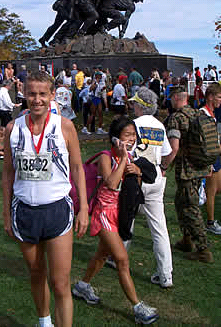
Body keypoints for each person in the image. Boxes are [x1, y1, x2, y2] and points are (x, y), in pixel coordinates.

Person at [2, 71, 88, 327]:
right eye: (31, 94)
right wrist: (6, 214)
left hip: (58, 211)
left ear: (52, 95)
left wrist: (83, 208)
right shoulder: (12, 128)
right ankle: (44, 322)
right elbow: (7, 174)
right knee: (37, 274)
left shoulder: (64, 126)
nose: (36, 99)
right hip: (25, 211)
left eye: (42, 94)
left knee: (61, 283)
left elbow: (77, 168)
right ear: (24, 95)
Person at [72, 117, 159, 325]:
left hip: (118, 214)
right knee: (122, 260)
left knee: (102, 255)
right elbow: (111, 183)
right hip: (103, 213)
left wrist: (137, 170)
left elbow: (136, 182)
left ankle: (82, 286)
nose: (131, 139)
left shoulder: (130, 156)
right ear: (115, 138)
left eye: (133, 135)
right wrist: (121, 160)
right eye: (126, 135)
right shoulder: (106, 156)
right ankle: (138, 307)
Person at [128, 87, 173, 288]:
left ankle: (118, 259)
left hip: (135, 175)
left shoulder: (132, 125)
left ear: (141, 106)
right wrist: (162, 168)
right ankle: (166, 275)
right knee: (159, 227)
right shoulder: (159, 125)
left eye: (135, 104)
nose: (133, 107)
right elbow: (166, 152)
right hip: (154, 176)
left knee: (126, 220)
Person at [165, 87, 213, 262]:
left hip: (186, 170)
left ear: (177, 98)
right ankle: (186, 240)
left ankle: (203, 249)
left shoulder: (177, 118)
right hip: (200, 167)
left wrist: (164, 165)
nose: (169, 101)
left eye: (171, 98)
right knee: (180, 202)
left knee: (191, 207)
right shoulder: (198, 114)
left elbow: (174, 147)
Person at [199, 83, 221, 235]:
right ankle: (210, 222)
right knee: (211, 191)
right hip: (209, 158)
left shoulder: (212, 115)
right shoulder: (203, 114)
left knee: (215, 189)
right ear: (211, 97)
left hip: (215, 156)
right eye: (219, 97)